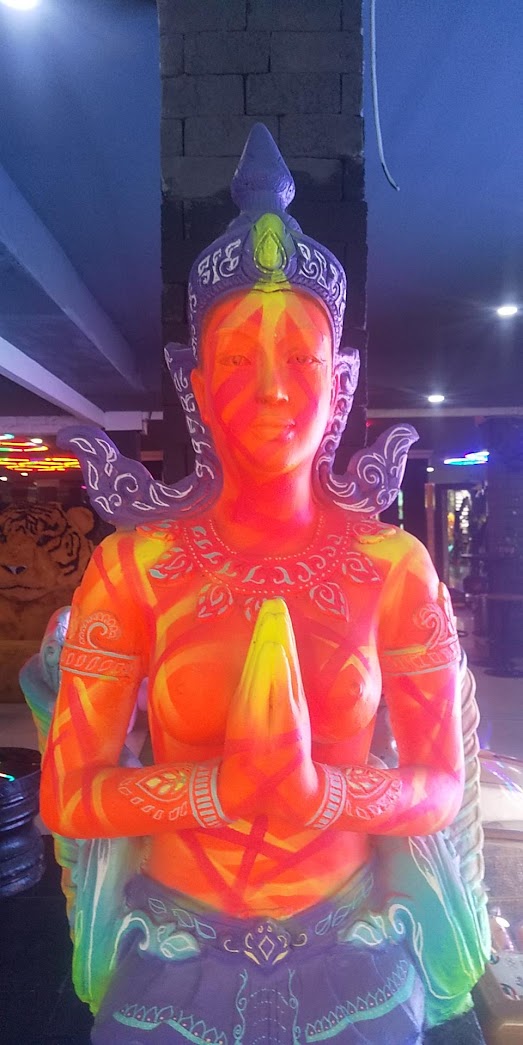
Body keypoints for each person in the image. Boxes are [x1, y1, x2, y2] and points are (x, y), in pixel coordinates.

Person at [37, 124, 489, 1044]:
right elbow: (69, 793)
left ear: (341, 382)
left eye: (303, 360)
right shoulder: (136, 568)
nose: (273, 388)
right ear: (196, 385)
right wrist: (216, 789)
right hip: (173, 945)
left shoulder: (392, 566)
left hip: (352, 942)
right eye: (238, 359)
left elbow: (440, 785)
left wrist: (319, 792)